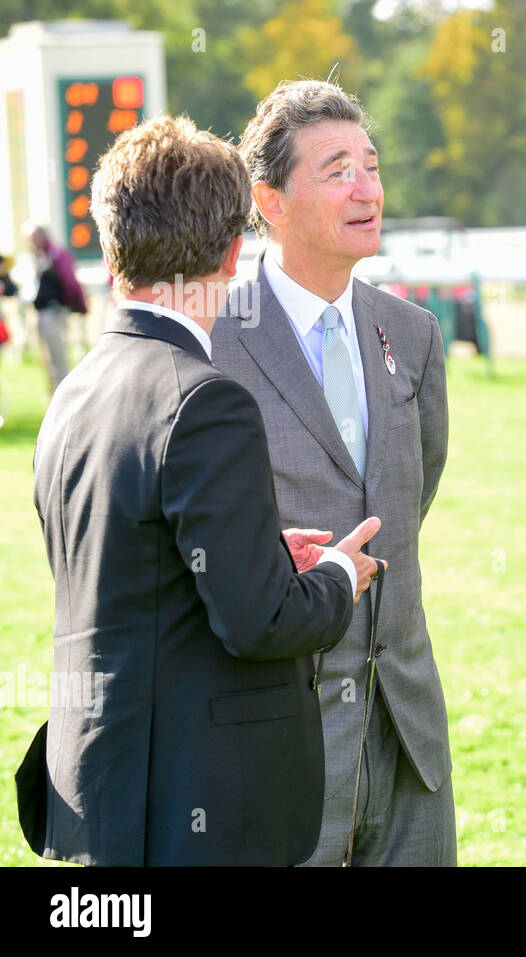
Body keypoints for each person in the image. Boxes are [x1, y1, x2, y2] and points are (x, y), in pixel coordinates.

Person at [25, 115, 382, 866]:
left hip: (100, 786)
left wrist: (251, 550)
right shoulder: (204, 399)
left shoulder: (75, 391)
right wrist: (338, 576)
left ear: (113, 247)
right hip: (190, 803)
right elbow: (260, 623)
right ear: (231, 252)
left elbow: (133, 563)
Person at [212, 79, 454, 866]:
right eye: (337, 169)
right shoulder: (213, 337)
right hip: (277, 731)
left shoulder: (412, 333)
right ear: (270, 201)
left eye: (372, 165)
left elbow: (413, 489)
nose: (367, 188)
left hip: (407, 726)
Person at [27, 225, 87, 392]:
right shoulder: (40, 257)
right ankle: (55, 394)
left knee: (58, 358)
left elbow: (70, 283)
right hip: (42, 312)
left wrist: (79, 305)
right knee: (47, 360)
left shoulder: (57, 255)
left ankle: (64, 394)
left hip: (55, 312)